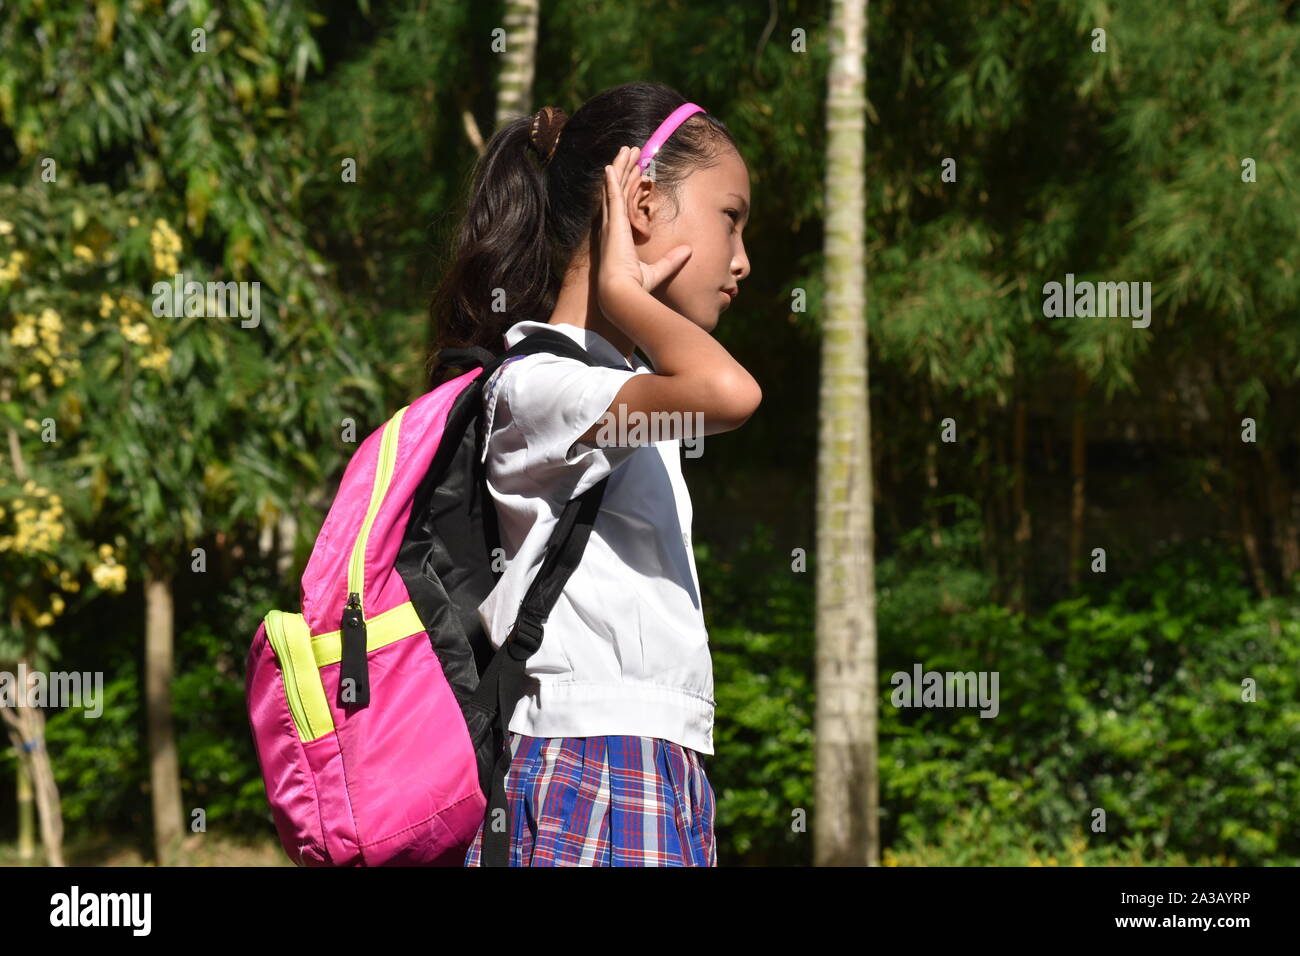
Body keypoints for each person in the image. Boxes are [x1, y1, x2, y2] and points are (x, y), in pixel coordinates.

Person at [427, 81, 759, 866]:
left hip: (650, 763)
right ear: (641, 204)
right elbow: (732, 394)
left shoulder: (612, 387)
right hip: (592, 767)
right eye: (731, 218)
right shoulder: (542, 386)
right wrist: (620, 291)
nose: (742, 260)